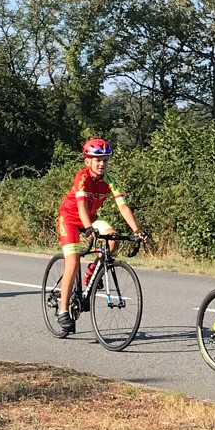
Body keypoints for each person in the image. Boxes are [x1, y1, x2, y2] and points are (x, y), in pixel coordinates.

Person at [54, 138, 144, 336]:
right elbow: (81, 206)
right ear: (88, 161)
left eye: (105, 160)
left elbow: (122, 206)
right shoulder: (82, 177)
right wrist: (87, 229)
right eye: (98, 160)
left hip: (92, 218)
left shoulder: (110, 179)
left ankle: (92, 272)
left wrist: (137, 231)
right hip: (70, 219)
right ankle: (62, 309)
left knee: (113, 240)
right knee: (73, 261)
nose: (102, 164)